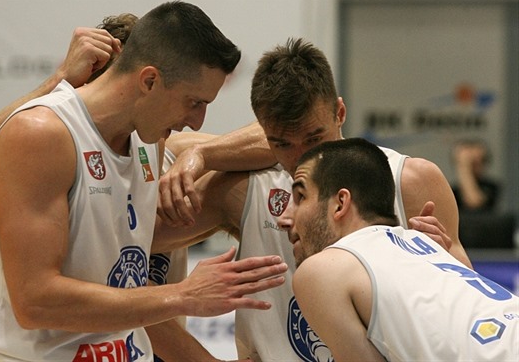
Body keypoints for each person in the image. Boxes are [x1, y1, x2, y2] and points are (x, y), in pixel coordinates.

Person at [0, 1, 288, 361]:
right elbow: (35, 301)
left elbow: (286, 139)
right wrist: (183, 295)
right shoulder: (42, 134)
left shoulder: (151, 142)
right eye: (194, 102)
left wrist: (203, 156)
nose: (197, 121)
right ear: (149, 80)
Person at [154, 38, 469, 362]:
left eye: (314, 138)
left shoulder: (412, 181)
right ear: (263, 133)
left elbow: (469, 307)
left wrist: (444, 267)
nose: (302, 156)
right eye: (282, 144)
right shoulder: (245, 188)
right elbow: (120, 261)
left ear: (340, 112)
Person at [284, 138, 518, 362]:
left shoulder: (320, 269)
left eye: (300, 197)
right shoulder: (421, 241)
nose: (286, 216)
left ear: (340, 203)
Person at [451, 138, 500, 213]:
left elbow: (473, 203)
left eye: (476, 162)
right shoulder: (451, 190)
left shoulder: (492, 187)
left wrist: (464, 167)